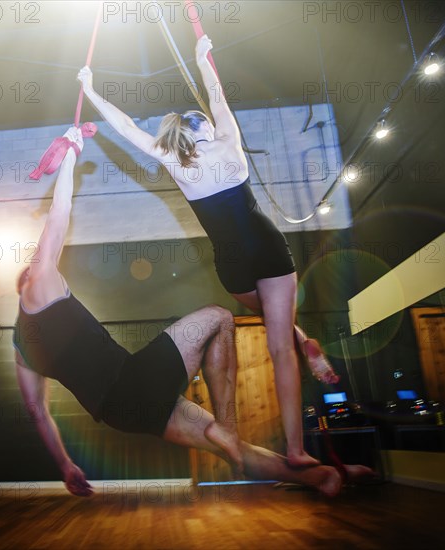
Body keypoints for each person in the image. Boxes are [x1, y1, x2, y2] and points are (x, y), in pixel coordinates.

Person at [12, 127, 369, 497]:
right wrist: (71, 152)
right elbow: (59, 213)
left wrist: (65, 464)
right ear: (29, 278)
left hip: (123, 414)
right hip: (132, 379)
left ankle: (324, 477)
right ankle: (228, 426)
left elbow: (38, 412)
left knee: (235, 453)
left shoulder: (21, 346)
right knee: (219, 317)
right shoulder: (39, 281)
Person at [78, 35, 340, 469]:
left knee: (272, 322)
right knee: (280, 345)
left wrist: (91, 91)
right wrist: (202, 57)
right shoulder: (228, 143)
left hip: (231, 264)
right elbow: (216, 94)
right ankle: (296, 447)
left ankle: (299, 342)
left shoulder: (174, 160)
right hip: (270, 252)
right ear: (202, 127)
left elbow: (126, 128)